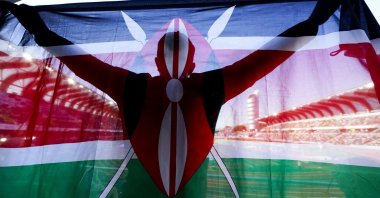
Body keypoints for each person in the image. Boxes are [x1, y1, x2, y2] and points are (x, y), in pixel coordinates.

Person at [1, 1, 341, 196]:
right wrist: (315, 20)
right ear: (194, 62)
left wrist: (31, 22)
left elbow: (71, 55)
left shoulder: (131, 86)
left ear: (157, 60)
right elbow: (272, 54)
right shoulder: (211, 86)